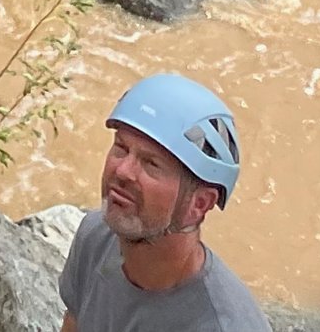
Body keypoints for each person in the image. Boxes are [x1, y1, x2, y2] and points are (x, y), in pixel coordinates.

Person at [57, 76, 263, 332]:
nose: (122, 170)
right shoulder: (95, 237)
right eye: (121, 148)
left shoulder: (224, 325)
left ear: (199, 204)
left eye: (150, 163)